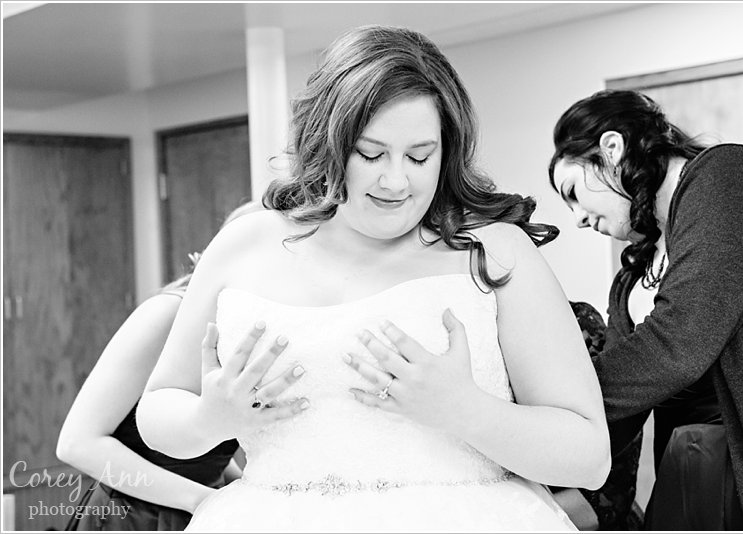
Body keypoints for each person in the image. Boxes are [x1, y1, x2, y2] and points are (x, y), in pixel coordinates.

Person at [136, 25, 610, 532]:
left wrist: (466, 410)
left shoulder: (494, 252)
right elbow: (157, 409)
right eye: (371, 153)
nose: (396, 180)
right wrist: (209, 419)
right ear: (327, 144)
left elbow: (588, 457)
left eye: (419, 155)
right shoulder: (244, 245)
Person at [548, 89, 743, 530]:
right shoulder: (631, 279)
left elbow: (679, 341)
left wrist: (547, 412)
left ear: (611, 149)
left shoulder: (733, 175)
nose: (578, 219)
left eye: (572, 192)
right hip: (690, 479)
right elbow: (624, 406)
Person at [57, 200, 264, 530]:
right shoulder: (166, 315)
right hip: (133, 516)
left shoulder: (249, 333)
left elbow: (207, 452)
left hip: (198, 511)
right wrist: (202, 500)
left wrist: (242, 492)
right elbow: (77, 444)